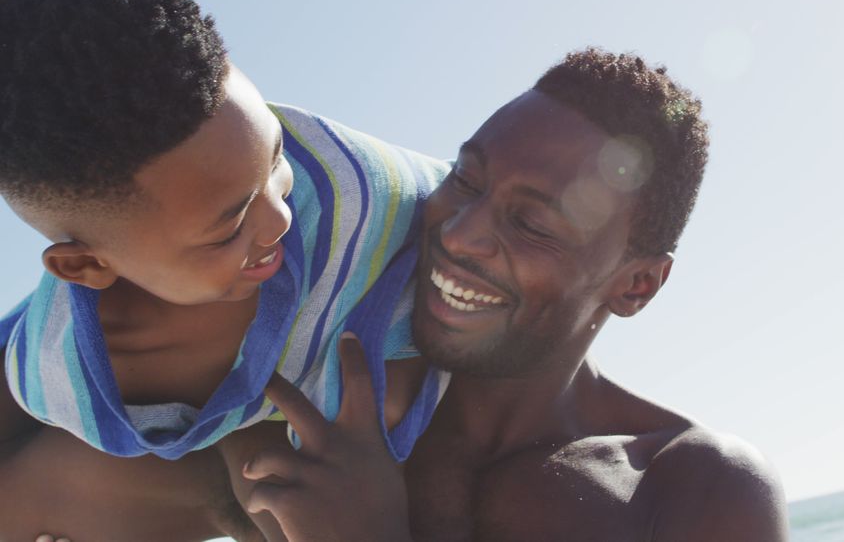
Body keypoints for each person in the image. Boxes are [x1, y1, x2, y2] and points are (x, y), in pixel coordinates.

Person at [243, 49, 790, 541]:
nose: (457, 234)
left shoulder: (693, 487)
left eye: (530, 223)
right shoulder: (311, 413)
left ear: (636, 285)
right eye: (465, 180)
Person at [0, 0, 446, 539]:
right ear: (85, 267)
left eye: (275, 156)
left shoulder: (354, 188)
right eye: (229, 226)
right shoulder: (56, 373)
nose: (279, 218)